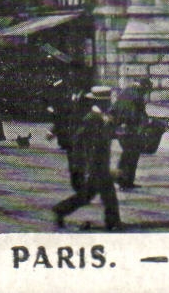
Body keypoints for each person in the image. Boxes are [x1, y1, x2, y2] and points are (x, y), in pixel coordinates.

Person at [52, 84, 121, 231]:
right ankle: (113, 222)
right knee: (106, 195)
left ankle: (61, 209)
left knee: (89, 195)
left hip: (100, 163)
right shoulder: (91, 119)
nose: (109, 104)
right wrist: (85, 166)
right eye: (107, 101)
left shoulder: (102, 118)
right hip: (95, 165)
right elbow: (82, 144)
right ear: (100, 103)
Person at [112, 77, 154, 190]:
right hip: (131, 130)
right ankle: (126, 182)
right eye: (146, 90)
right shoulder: (137, 96)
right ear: (144, 87)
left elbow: (114, 109)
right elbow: (139, 116)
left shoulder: (124, 92)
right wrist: (145, 127)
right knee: (132, 156)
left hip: (120, 130)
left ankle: (121, 179)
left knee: (126, 155)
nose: (146, 93)